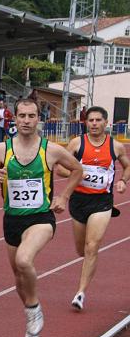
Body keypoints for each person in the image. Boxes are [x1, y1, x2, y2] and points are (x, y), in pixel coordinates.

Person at [0, 98, 83, 337]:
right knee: (19, 280)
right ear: (15, 119)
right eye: (21, 116)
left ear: (38, 119)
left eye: (31, 116)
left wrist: (63, 197)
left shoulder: (51, 150)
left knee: (25, 259)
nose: (26, 120)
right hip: (12, 220)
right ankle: (30, 307)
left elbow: (77, 169)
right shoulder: (2, 149)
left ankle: (34, 310)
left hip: (41, 218)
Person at [55, 106, 130, 311]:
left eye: (98, 120)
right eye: (91, 120)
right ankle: (88, 264)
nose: (94, 124)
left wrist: (123, 180)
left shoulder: (116, 146)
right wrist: (77, 174)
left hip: (102, 202)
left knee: (92, 246)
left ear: (106, 123)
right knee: (81, 250)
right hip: (78, 200)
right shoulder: (77, 143)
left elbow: (127, 165)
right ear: (86, 123)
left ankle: (80, 293)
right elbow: (59, 166)